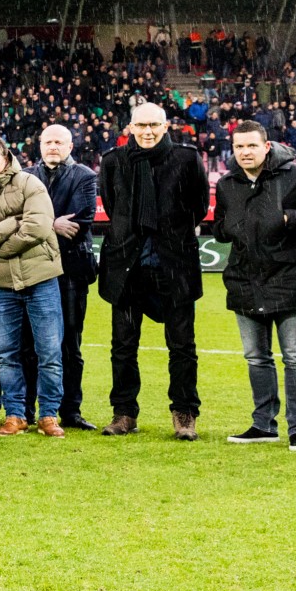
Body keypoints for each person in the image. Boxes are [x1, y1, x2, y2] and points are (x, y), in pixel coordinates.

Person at [216, 120, 296, 450]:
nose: (245, 152)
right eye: (239, 147)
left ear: (266, 146)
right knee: (256, 357)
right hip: (245, 281)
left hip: (290, 281)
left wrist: (289, 218)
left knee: (295, 357)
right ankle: (263, 425)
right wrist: (227, 227)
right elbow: (220, 228)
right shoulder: (228, 183)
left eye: (251, 146)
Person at [97, 102, 210, 439]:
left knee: (182, 347)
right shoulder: (113, 161)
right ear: (130, 127)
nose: (148, 132)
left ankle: (184, 413)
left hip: (173, 266)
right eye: (141, 125)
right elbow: (114, 207)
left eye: (154, 125)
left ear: (166, 127)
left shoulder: (186, 159)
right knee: (123, 346)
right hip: (127, 268)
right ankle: (124, 413)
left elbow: (199, 207)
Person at [0, 133, 65, 437]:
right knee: (7, 354)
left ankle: (48, 415)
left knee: (49, 352)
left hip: (40, 279)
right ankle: (15, 414)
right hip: (0, 286)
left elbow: (39, 227)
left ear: (5, 158)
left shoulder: (30, 184)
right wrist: (11, 223)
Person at [24, 125, 98, 430]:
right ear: (39, 145)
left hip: (71, 270)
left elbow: (81, 219)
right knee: (27, 343)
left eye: (59, 142)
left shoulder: (85, 176)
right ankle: (26, 410)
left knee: (69, 343)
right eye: (48, 141)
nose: (53, 146)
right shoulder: (25, 175)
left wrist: (36, 224)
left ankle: (70, 410)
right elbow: (16, 215)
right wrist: (51, 223)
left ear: (70, 145)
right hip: (33, 268)